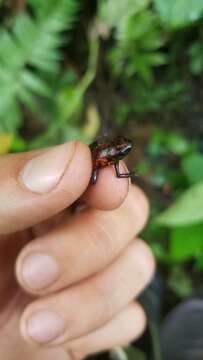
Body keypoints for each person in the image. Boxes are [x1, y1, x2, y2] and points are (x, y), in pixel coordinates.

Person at [0, 140, 155, 359]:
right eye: (123, 149)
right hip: (90, 165)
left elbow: (115, 171)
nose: (124, 150)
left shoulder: (110, 158)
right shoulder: (107, 161)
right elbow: (118, 175)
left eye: (124, 150)